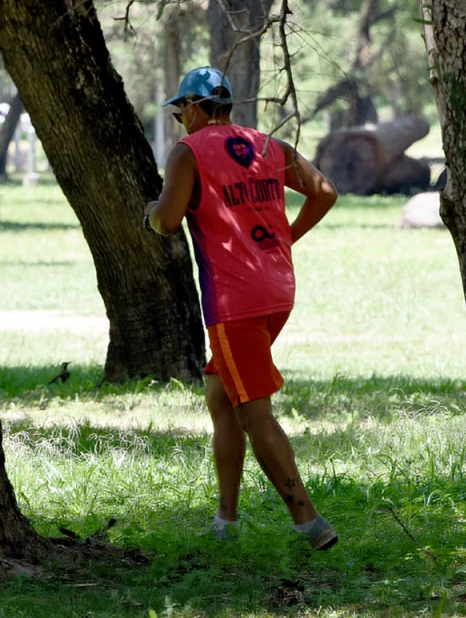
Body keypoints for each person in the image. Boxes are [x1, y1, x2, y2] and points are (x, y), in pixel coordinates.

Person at [145, 67, 340, 551]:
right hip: (277, 291)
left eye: (179, 112)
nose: (179, 121)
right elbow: (325, 191)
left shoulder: (188, 151)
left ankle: (311, 525)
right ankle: (226, 520)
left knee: (254, 414)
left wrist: (149, 211)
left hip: (234, 302)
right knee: (220, 397)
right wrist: (284, 240)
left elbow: (169, 222)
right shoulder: (267, 144)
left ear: (193, 107)